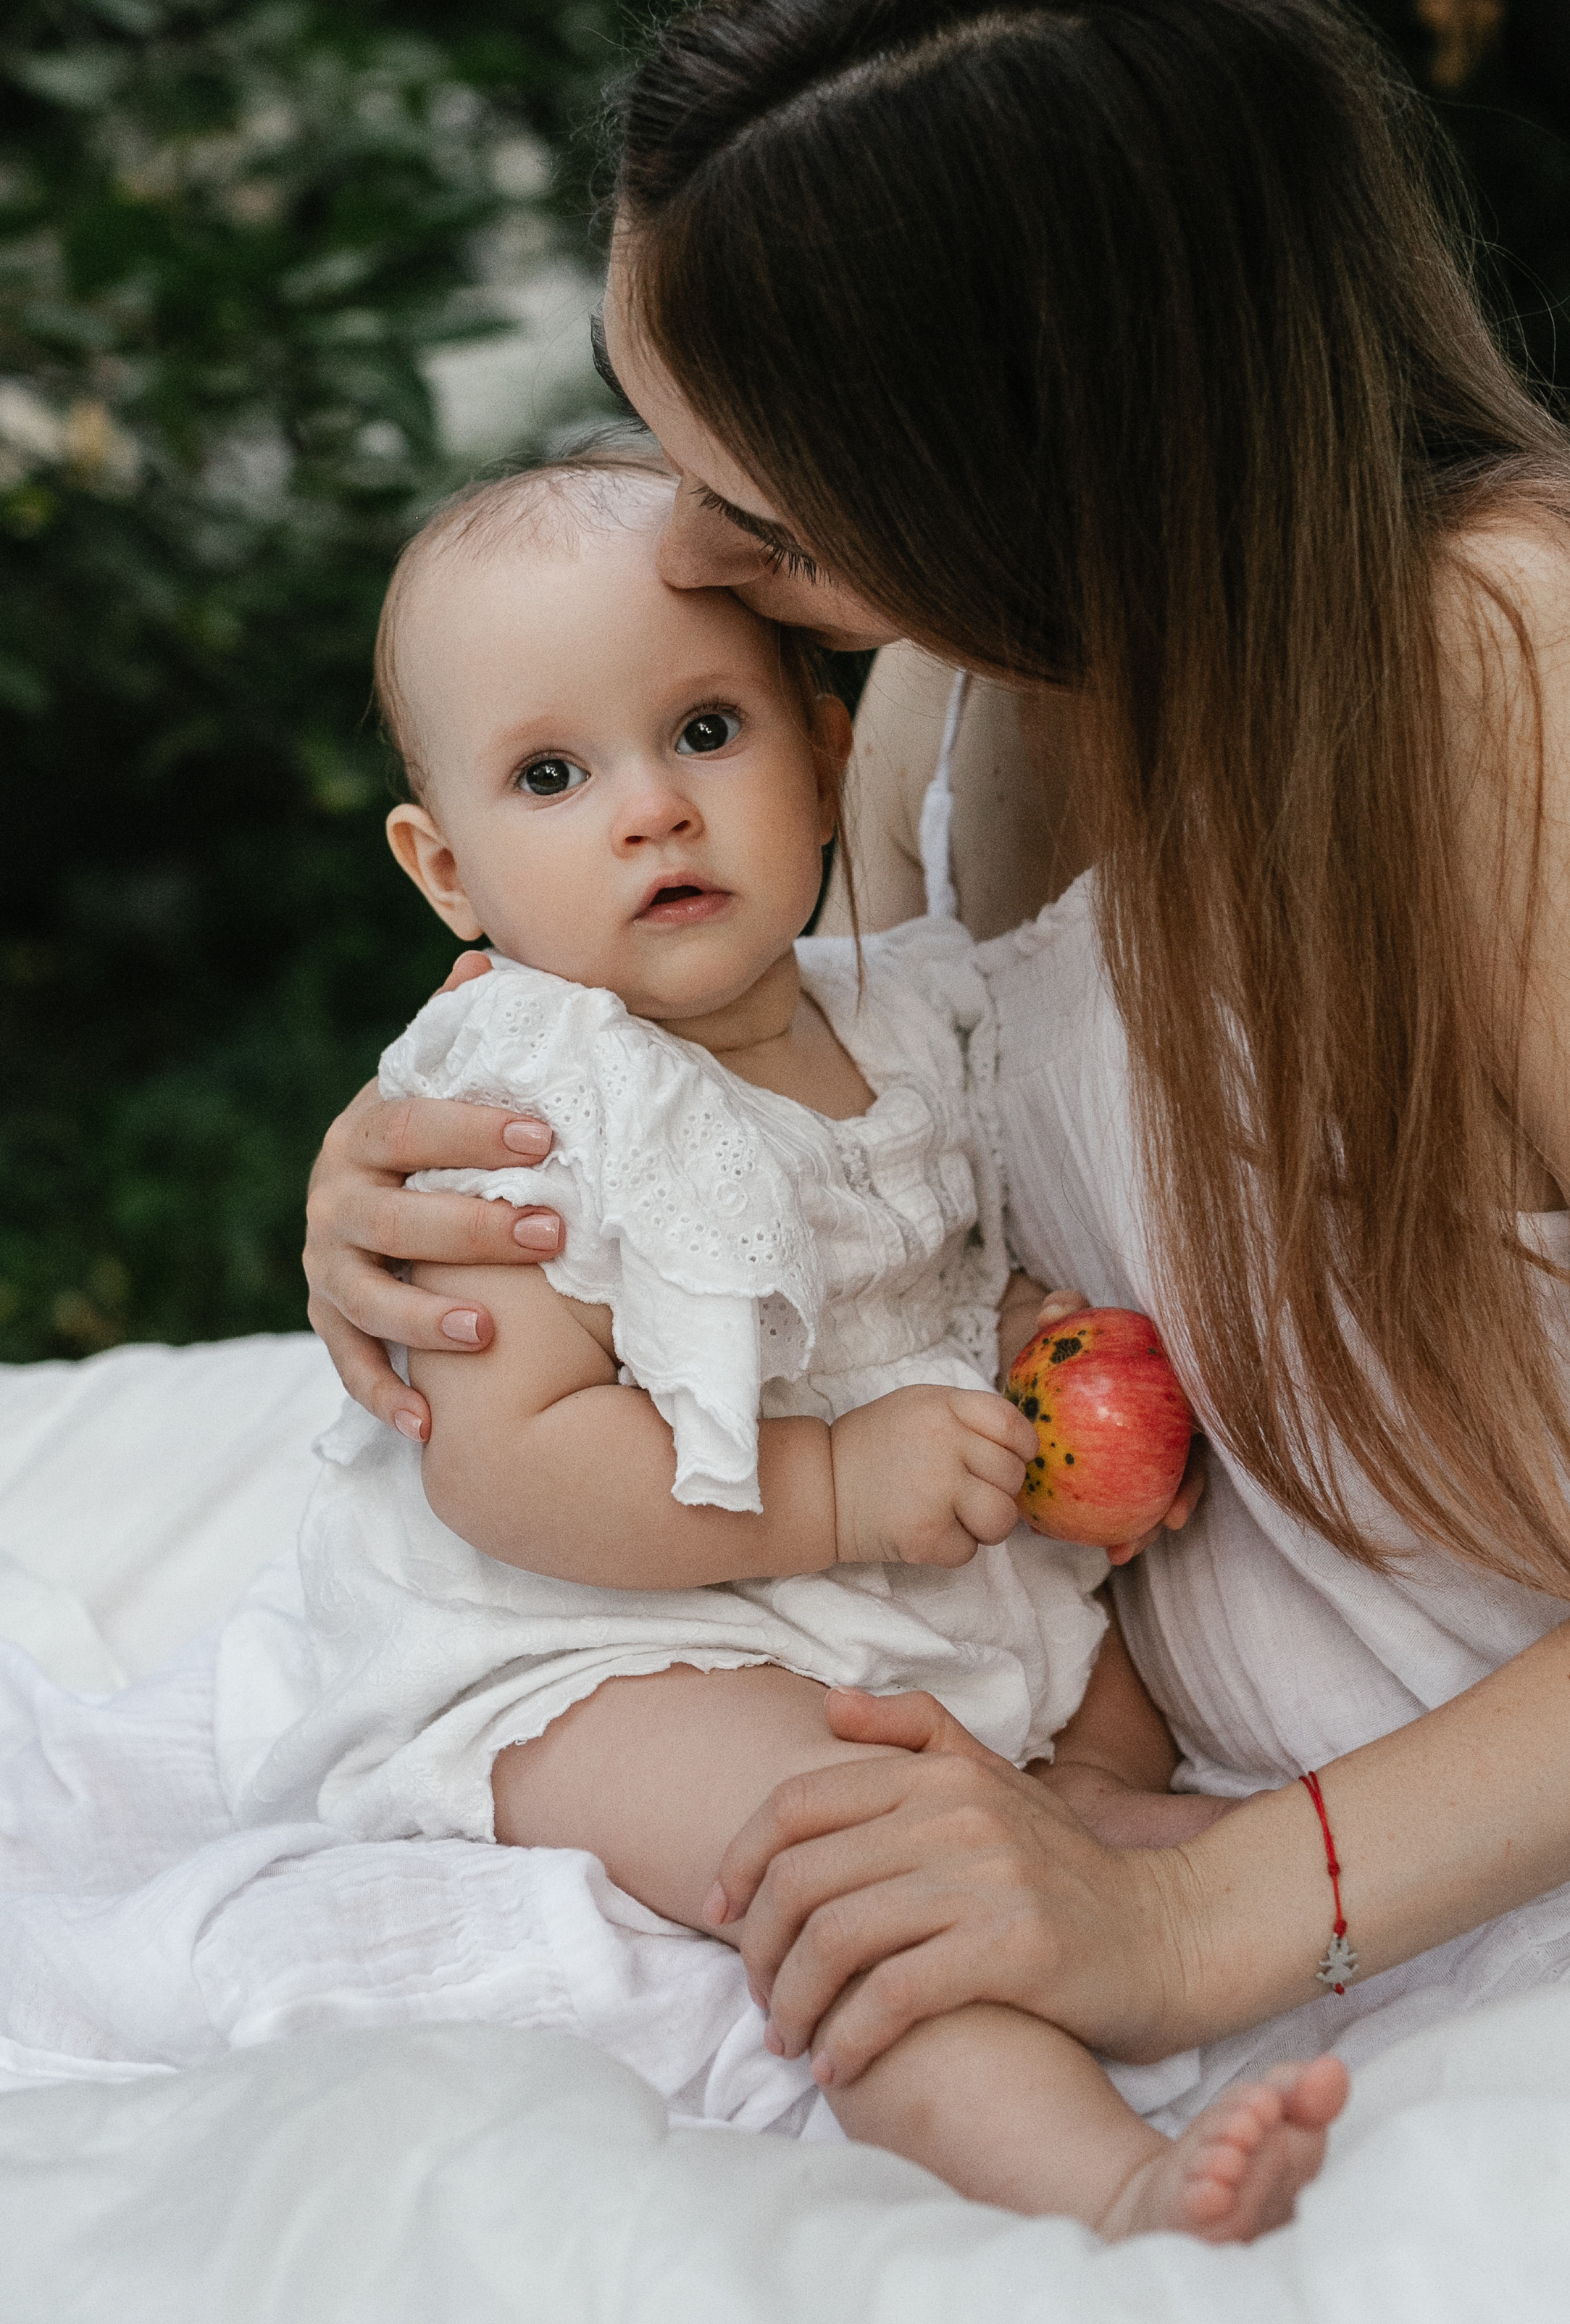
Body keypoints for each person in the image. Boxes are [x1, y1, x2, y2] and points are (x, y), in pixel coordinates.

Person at [303, 0, 1570, 2119]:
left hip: (1448, 1850)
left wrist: (1204, 1913)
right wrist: (408, 1197)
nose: (700, 567)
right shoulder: (964, 686)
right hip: (1075, 1747)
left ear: (1049, 457)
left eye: (769, 510)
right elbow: (799, 1131)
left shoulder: (1495, 674)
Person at [223, 449, 1345, 2239]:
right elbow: (514, 1471)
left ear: (825, 756)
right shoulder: (526, 1102)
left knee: (1117, 1695)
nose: (649, 812)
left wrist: (1025, 1343)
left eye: (703, 734)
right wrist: (832, 1485)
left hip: (870, 1571)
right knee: (850, 1858)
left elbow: (921, 1265)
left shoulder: (902, 1017)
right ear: (446, 871)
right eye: (550, 775)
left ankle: (1100, 1823)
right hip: (592, 1639)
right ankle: (1108, 2186)